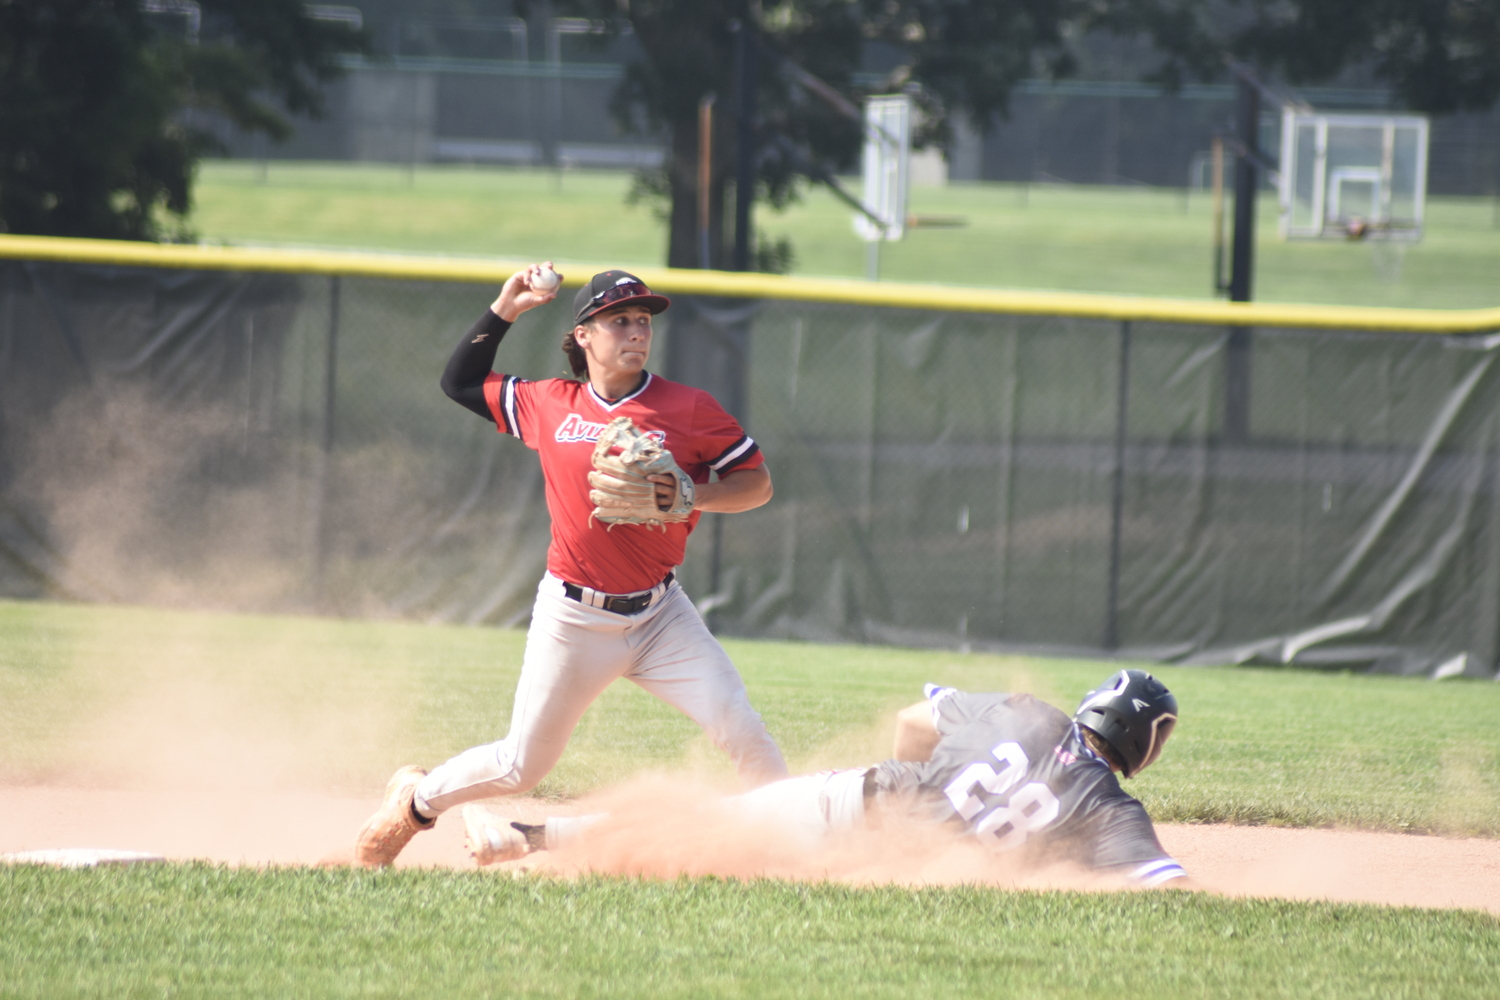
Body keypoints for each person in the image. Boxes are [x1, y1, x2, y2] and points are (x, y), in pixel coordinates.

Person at [352, 264, 789, 867]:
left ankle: (794, 848)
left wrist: (695, 493)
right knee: (520, 765)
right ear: (584, 334)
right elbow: (459, 383)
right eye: (619, 321)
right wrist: (506, 307)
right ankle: (414, 803)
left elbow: (757, 483)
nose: (636, 331)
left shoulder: (686, 408)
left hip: (662, 616)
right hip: (574, 618)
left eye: (643, 321)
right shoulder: (548, 404)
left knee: (741, 726)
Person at [465, 669, 1190, 888]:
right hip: (880, 867)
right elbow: (1162, 884)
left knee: (708, 828)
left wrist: (915, 779)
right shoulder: (1107, 808)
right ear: (1143, 741)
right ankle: (529, 839)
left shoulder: (1023, 711)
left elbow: (915, 719)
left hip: (856, 802)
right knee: (710, 858)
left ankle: (527, 837)